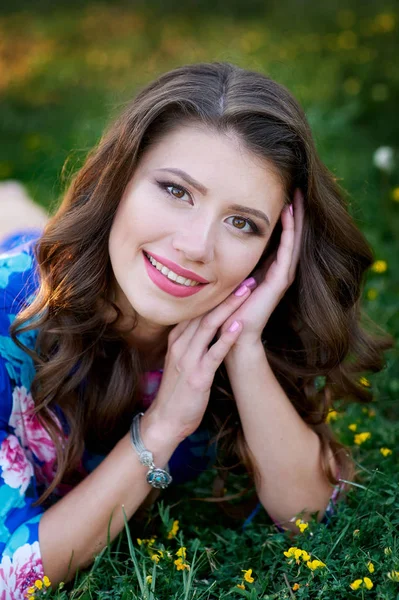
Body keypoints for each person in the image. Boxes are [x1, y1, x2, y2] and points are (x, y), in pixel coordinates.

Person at [0, 62, 392, 597]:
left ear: (273, 249)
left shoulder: (239, 322)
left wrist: (245, 346)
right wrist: (161, 429)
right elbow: (11, 571)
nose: (196, 245)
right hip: (35, 274)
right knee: (28, 234)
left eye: (242, 223)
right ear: (118, 180)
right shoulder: (11, 317)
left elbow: (312, 512)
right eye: (175, 190)